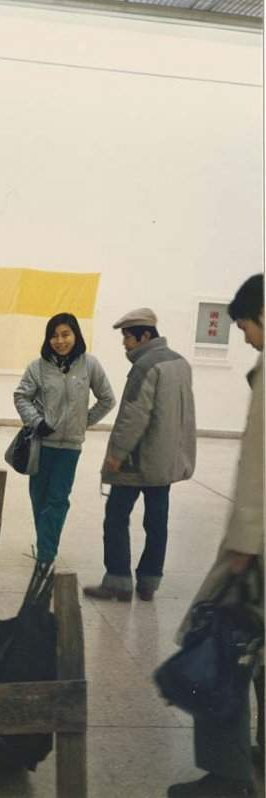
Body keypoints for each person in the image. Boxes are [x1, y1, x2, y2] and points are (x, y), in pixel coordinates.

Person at [167, 275, 264, 798]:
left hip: (259, 549)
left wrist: (243, 548)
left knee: (226, 648)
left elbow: (258, 466)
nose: (247, 338)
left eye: (247, 326)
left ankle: (228, 777)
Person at [83, 308, 196, 602]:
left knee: (116, 516)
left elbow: (134, 415)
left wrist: (116, 454)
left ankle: (118, 580)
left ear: (145, 336)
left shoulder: (145, 365)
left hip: (137, 460)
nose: (125, 344)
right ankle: (149, 582)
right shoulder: (180, 363)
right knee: (157, 520)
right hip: (166, 459)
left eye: (128, 338)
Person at [14, 313, 115, 564]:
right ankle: (45, 544)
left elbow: (107, 399)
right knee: (39, 498)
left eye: (65, 334)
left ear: (76, 335)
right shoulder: (37, 367)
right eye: (54, 336)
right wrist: (37, 422)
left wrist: (84, 421)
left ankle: (47, 554)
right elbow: (21, 396)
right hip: (42, 445)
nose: (60, 341)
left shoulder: (90, 364)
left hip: (70, 447)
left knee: (58, 499)